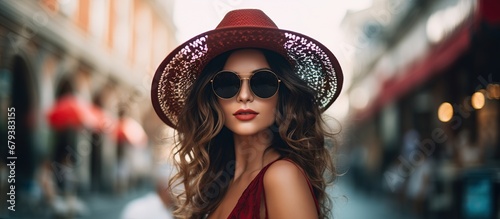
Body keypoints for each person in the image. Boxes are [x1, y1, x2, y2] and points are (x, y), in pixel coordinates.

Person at [151, 9, 343, 219]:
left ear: (283, 95)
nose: (244, 96)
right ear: (212, 98)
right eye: (227, 84)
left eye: (263, 82)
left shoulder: (282, 177)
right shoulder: (220, 181)